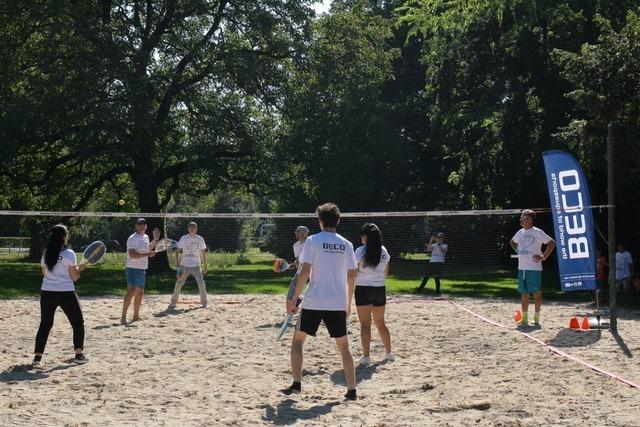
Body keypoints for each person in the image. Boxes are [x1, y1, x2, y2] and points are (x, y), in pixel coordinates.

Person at [282, 203, 359, 400]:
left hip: (314, 301)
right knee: (344, 346)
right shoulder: (347, 244)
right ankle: (351, 390)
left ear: (320, 220)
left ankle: (297, 384)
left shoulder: (312, 241)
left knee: (298, 341)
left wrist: (293, 298)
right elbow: (352, 277)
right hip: (337, 302)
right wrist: (348, 302)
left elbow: (305, 271)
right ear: (338, 220)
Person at [33, 224, 89, 366]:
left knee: (45, 324)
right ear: (64, 236)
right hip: (65, 292)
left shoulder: (46, 253)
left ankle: (37, 358)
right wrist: (81, 268)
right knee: (77, 323)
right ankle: (78, 355)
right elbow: (74, 277)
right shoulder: (69, 254)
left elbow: (44, 273)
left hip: (47, 292)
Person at [354, 223, 394, 366]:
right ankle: (389, 353)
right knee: (380, 323)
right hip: (379, 289)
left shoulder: (360, 251)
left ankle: (366, 356)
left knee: (365, 324)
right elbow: (386, 272)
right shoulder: (383, 250)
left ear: (365, 236)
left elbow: (354, 272)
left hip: (364, 289)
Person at [510, 210, 556, 326]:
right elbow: (512, 242)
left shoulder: (537, 232)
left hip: (534, 269)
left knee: (536, 294)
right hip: (522, 268)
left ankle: (536, 319)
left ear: (529, 219)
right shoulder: (520, 232)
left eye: (523, 217)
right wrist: (518, 251)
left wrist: (543, 256)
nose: (520, 219)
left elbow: (552, 243)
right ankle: (524, 318)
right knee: (524, 293)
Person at [121, 218, 160, 325]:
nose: (142, 226)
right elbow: (132, 255)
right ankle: (123, 316)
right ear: (136, 226)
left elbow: (148, 248)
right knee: (131, 291)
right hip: (132, 268)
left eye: (143, 224)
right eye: (139, 224)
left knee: (140, 292)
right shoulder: (132, 238)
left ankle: (136, 316)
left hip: (142, 268)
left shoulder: (146, 237)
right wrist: (148, 254)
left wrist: (155, 240)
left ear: (146, 226)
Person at [168, 222, 208, 310]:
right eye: (190, 227)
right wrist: (177, 262)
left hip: (196, 265)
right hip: (184, 265)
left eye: (193, 227)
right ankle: (173, 302)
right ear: (188, 229)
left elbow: (203, 252)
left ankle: (204, 303)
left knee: (201, 283)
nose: (192, 229)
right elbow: (177, 250)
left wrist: (205, 265)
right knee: (179, 283)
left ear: (196, 229)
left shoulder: (200, 239)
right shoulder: (183, 238)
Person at [285, 226, 309, 302]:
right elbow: (297, 260)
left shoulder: (310, 244)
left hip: (312, 272)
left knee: (311, 293)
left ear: (303, 234)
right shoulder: (296, 245)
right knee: (291, 294)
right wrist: (289, 266)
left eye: (297, 232)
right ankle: (291, 311)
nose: (295, 233)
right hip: (300, 272)